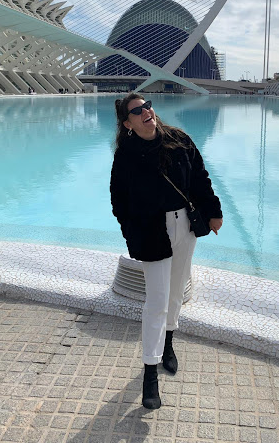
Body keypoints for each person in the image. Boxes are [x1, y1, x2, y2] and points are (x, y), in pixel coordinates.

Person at [110, 93, 223, 410]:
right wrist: (132, 234)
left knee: (175, 294)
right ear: (128, 123)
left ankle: (168, 343)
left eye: (147, 105)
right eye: (137, 110)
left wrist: (213, 211)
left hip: (185, 225)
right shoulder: (127, 155)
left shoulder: (179, 140)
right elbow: (119, 201)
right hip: (151, 233)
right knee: (156, 302)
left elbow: (200, 178)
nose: (146, 111)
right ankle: (150, 373)